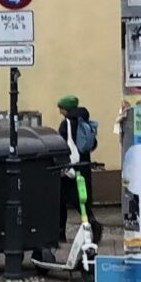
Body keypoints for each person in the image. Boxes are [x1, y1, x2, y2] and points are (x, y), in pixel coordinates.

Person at [57, 94, 99, 238]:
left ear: (66, 109)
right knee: (82, 200)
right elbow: (92, 144)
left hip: (70, 166)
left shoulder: (66, 124)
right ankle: (93, 224)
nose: (59, 111)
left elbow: (61, 145)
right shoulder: (85, 121)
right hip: (84, 166)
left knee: (61, 200)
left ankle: (60, 233)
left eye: (61, 108)